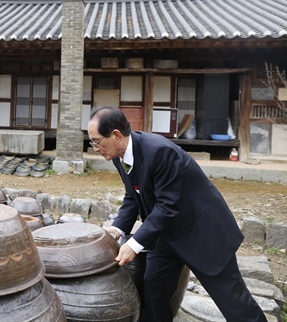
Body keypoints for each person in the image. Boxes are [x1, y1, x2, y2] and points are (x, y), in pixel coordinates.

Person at [88, 106, 266, 322]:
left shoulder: (160, 152)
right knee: (154, 286)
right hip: (165, 235)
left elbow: (167, 206)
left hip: (201, 233)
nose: (95, 147)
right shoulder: (119, 155)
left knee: (232, 300)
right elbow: (133, 195)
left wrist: (134, 244)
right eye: (93, 142)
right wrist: (116, 229)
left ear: (116, 135)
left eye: (97, 141)